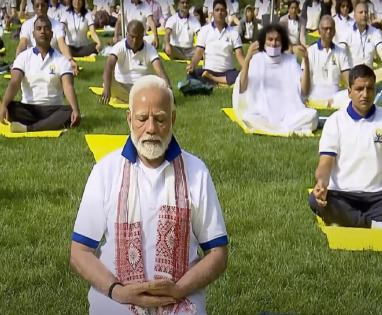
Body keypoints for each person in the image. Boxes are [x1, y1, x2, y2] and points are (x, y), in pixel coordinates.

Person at [70, 75, 229, 315]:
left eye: (160, 119)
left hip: (181, 300)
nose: (151, 128)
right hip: (117, 300)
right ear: (129, 119)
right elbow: (80, 251)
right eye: (142, 119)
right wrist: (117, 290)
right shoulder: (106, 170)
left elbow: (218, 253)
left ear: (173, 119)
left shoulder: (196, 171)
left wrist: (178, 289)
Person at [309, 64, 382, 229]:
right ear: (349, 92)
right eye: (359, 89)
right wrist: (322, 183)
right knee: (315, 200)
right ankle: (377, 224)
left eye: (369, 89)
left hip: (379, 199)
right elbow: (325, 163)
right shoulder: (335, 121)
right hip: (343, 197)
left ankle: (355, 221)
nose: (365, 94)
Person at [232, 24, 318, 134]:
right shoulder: (257, 59)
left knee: (312, 115)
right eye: (270, 40)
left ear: (282, 42)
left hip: (289, 115)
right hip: (263, 114)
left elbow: (305, 91)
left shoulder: (290, 61)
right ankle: (286, 130)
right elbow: (242, 87)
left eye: (277, 40)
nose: (273, 43)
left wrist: (306, 60)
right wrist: (248, 58)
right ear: (264, 41)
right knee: (248, 117)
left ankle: (277, 129)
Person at [0, 16, 80, 132]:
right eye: (39, 28)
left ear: (52, 34)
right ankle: (47, 125)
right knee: (10, 107)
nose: (43, 31)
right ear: (33, 33)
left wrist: (75, 109)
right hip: (28, 109)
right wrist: (3, 105)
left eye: (46, 28)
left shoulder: (61, 59)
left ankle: (29, 128)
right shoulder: (23, 57)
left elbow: (68, 86)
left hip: (53, 109)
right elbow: (14, 82)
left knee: (69, 112)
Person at [102, 20, 170, 104]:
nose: (135, 41)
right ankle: (138, 100)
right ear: (127, 35)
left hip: (142, 87)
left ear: (143, 36)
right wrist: (107, 88)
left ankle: (136, 99)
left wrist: (169, 91)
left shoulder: (150, 49)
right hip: (122, 85)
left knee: (159, 83)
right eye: (132, 37)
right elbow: (109, 67)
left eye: (138, 37)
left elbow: (160, 71)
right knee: (107, 83)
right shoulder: (119, 47)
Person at [339, 1, 382, 82]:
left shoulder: (375, 32)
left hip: (369, 73)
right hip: (352, 74)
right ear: (354, 15)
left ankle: (367, 82)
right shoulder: (346, 31)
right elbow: (340, 54)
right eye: (361, 12)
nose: (364, 15)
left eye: (366, 12)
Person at [187, 0, 245, 86]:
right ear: (213, 13)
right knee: (191, 75)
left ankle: (213, 79)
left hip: (227, 72)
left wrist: (247, 69)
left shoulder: (234, 32)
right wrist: (192, 65)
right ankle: (220, 81)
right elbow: (199, 52)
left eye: (222, 10)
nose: (220, 13)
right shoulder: (204, 30)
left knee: (241, 75)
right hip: (209, 70)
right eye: (217, 10)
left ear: (226, 13)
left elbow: (239, 55)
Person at [16, 0, 78, 74]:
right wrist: (17, 61)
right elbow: (22, 43)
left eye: (43, 5)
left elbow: (62, 44)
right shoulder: (27, 25)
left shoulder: (57, 25)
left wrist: (70, 60)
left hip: (53, 62)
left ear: (47, 6)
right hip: (32, 62)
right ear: (33, 7)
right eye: (37, 6)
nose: (40, 8)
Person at [304, 15, 350, 108]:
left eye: (331, 29)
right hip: (315, 96)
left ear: (334, 31)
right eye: (325, 29)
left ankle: (330, 103)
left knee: (353, 96)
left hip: (335, 97)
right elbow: (304, 78)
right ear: (319, 31)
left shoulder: (340, 51)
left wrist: (352, 89)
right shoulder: (310, 51)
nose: (328, 31)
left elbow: (347, 77)